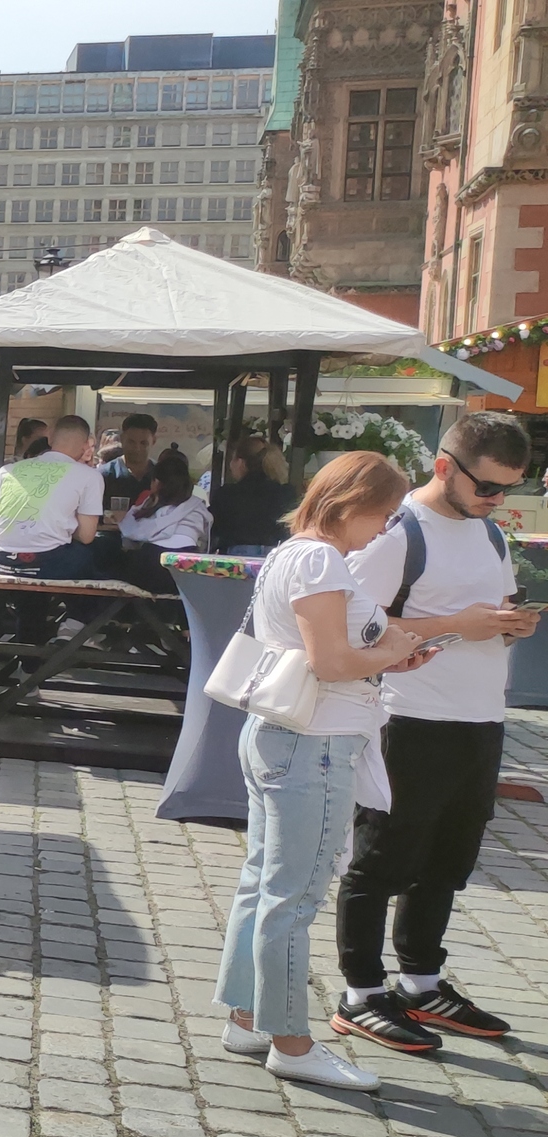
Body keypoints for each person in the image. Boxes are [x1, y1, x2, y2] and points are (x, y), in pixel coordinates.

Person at [214, 451, 429, 1092]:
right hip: (315, 740)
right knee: (294, 896)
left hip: (288, 734)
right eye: (385, 515)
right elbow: (331, 662)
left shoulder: (293, 553)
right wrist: (391, 650)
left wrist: (386, 653)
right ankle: (291, 1042)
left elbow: (325, 653)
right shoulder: (320, 559)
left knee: (264, 884)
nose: (386, 528)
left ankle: (249, 1018)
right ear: (352, 504)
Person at [332, 414, 537, 1052]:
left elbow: (488, 614)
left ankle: (421, 981)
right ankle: (361, 992)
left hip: (481, 716)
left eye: (509, 488)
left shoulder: (489, 533)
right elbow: (355, 624)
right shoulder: (397, 531)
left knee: (449, 859)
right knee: (382, 857)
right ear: (444, 466)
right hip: (408, 714)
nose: (496, 500)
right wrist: (459, 624)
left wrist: (510, 625)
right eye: (487, 486)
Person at [0, 414, 105, 579]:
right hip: (50, 561)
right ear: (86, 445)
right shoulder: (90, 476)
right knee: (102, 549)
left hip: (2, 559)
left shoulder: (11, 470)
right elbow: (86, 537)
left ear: (50, 438)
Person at [115, 449, 211, 591]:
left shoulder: (153, 504)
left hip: (154, 563)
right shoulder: (198, 506)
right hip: (189, 566)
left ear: (157, 482)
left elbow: (132, 532)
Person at [212, 437, 297, 556]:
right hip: (276, 555)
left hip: (236, 557)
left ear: (240, 462)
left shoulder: (227, 494)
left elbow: (215, 528)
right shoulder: (286, 493)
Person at [102, 412, 158, 505]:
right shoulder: (104, 476)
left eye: (143, 443)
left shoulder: (162, 477)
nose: (137, 448)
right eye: (131, 442)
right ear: (122, 439)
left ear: (154, 441)